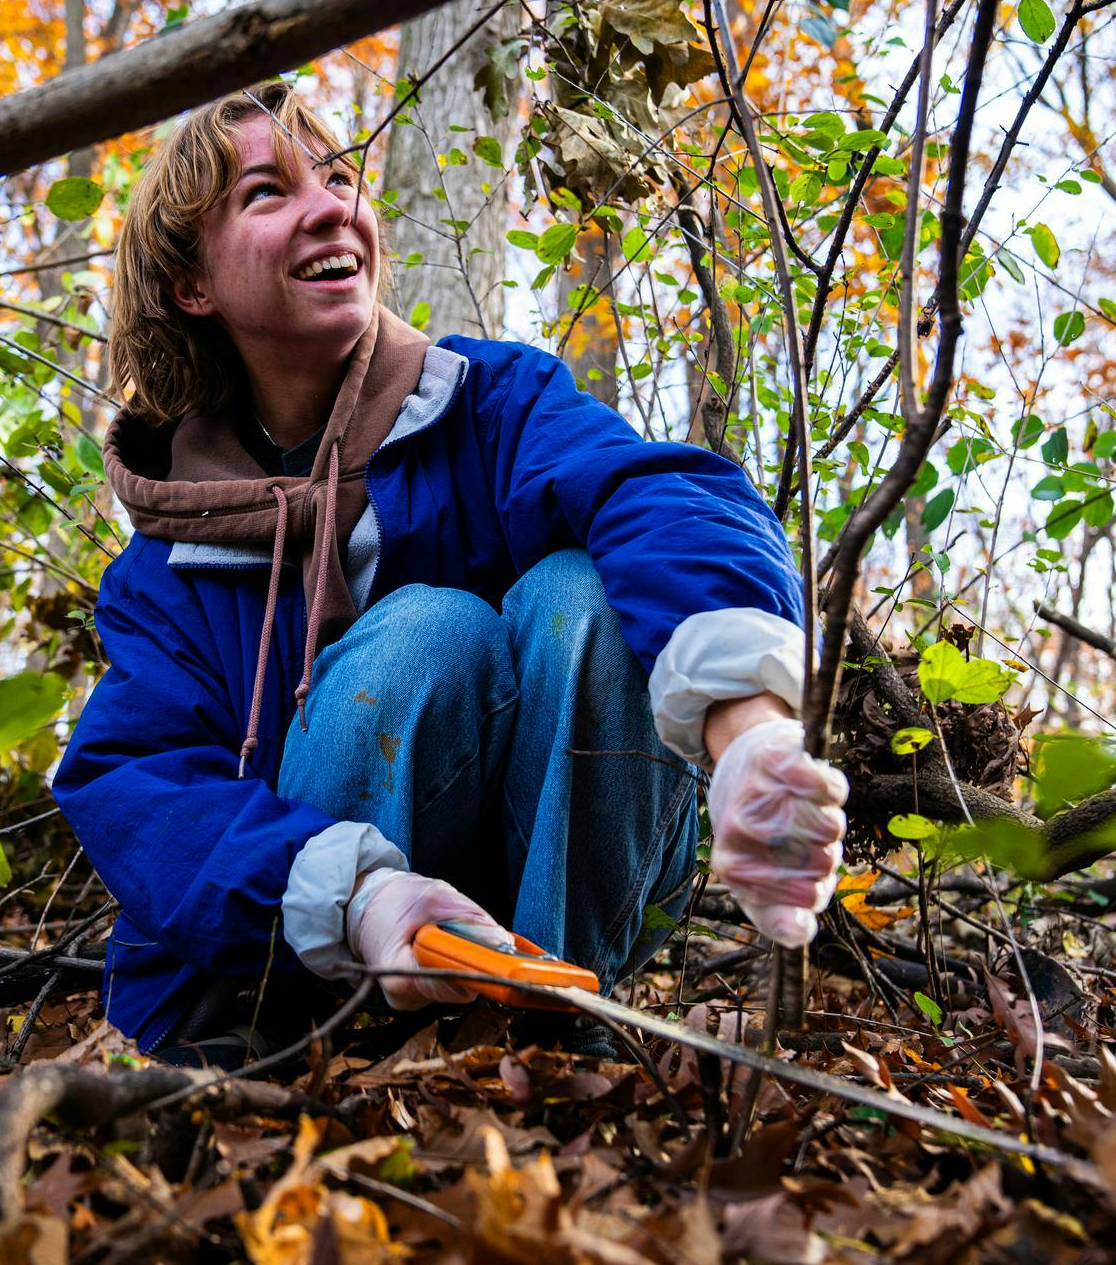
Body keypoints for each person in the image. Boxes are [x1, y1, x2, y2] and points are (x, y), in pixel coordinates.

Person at [51, 81, 849, 1063]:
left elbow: (660, 494)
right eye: (267, 192)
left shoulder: (488, 403)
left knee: (583, 593)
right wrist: (359, 892)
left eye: (340, 176)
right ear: (193, 286)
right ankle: (372, 1063)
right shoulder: (165, 567)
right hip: (301, 986)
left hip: (553, 917)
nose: (333, 205)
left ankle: (554, 1038)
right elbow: (137, 786)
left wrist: (745, 732)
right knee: (429, 630)